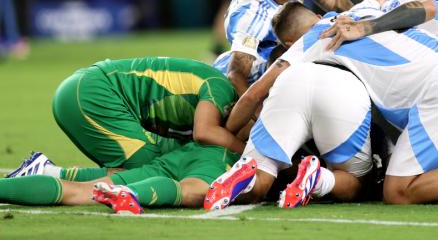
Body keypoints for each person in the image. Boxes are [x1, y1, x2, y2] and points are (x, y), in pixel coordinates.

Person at [268, 2, 438, 204]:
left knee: (398, 191)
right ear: (318, 16)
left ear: (288, 44)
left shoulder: (313, 40)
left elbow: (255, 93)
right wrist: (367, 24)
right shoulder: (368, 9)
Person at [6, 57, 243, 177]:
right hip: (93, 93)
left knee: (149, 168)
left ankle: (46, 172)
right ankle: (47, 173)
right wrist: (247, 151)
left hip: (85, 90)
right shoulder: (221, 87)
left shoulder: (217, 92)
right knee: (150, 171)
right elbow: (205, 132)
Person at [204, 61, 373, 210]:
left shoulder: (310, 37)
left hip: (292, 78)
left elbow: (252, 95)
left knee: (260, 175)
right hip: (344, 86)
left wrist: (229, 132)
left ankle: (248, 184)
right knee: (355, 182)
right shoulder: (365, 34)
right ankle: (318, 179)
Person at [215, 0, 353, 96]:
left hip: (277, 71)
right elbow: (236, 77)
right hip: (249, 84)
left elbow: (342, 6)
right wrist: (260, 118)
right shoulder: (252, 19)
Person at [0, 141, 239, 214]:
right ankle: (133, 194)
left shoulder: (229, 65)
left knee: (79, 191)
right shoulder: (263, 71)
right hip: (223, 154)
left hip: (186, 149)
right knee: (194, 191)